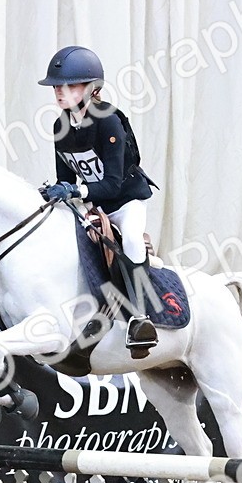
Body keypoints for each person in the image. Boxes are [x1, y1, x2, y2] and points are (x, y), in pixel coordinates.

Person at [37, 45, 159, 354]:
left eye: (69, 85)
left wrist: (77, 192)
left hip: (125, 202)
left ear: (91, 89)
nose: (59, 92)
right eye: (57, 86)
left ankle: (141, 318)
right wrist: (56, 192)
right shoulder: (60, 127)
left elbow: (113, 183)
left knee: (130, 239)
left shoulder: (108, 121)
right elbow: (66, 179)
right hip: (96, 207)